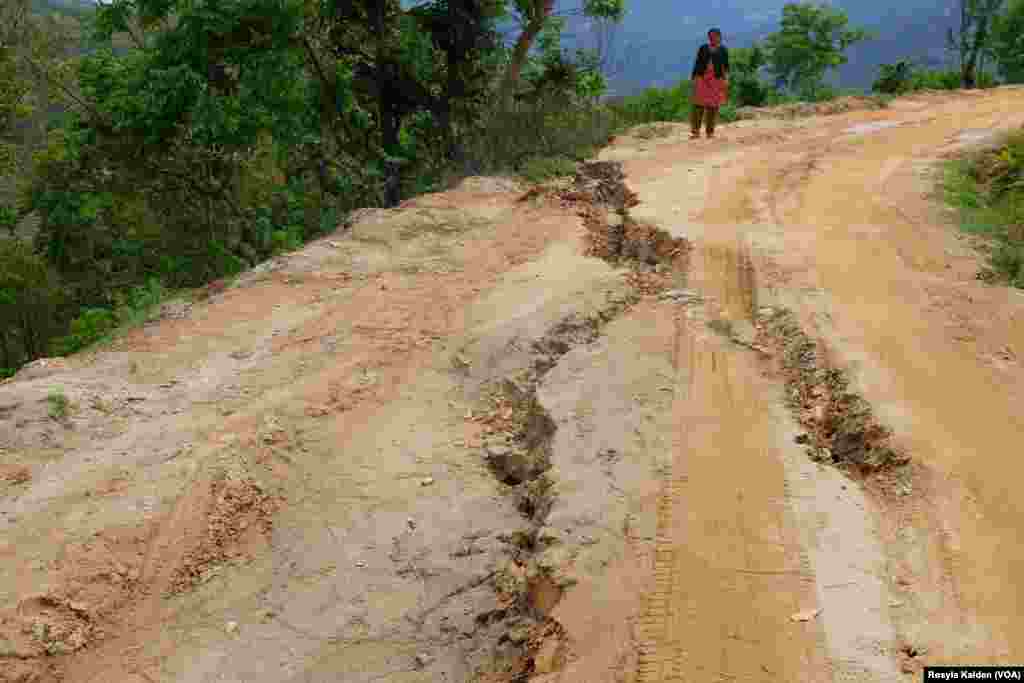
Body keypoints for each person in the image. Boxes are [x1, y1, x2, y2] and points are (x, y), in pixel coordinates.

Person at [690, 28, 729, 140]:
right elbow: (697, 63)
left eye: (715, 36)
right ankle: (695, 132)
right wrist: (694, 78)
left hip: (716, 80)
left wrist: (726, 80)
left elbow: (726, 67)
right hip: (701, 78)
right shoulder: (703, 48)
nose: (713, 38)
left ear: (719, 37)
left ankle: (710, 132)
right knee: (698, 105)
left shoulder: (723, 50)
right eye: (711, 36)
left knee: (713, 106)